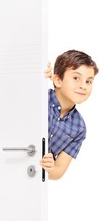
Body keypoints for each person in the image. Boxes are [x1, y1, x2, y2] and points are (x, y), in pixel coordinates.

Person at [40, 50, 99, 180]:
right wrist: (39, 71)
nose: (83, 86)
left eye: (88, 81)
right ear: (58, 80)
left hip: (32, 179)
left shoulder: (79, 128)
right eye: (76, 78)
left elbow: (58, 171)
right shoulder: (39, 97)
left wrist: (50, 168)